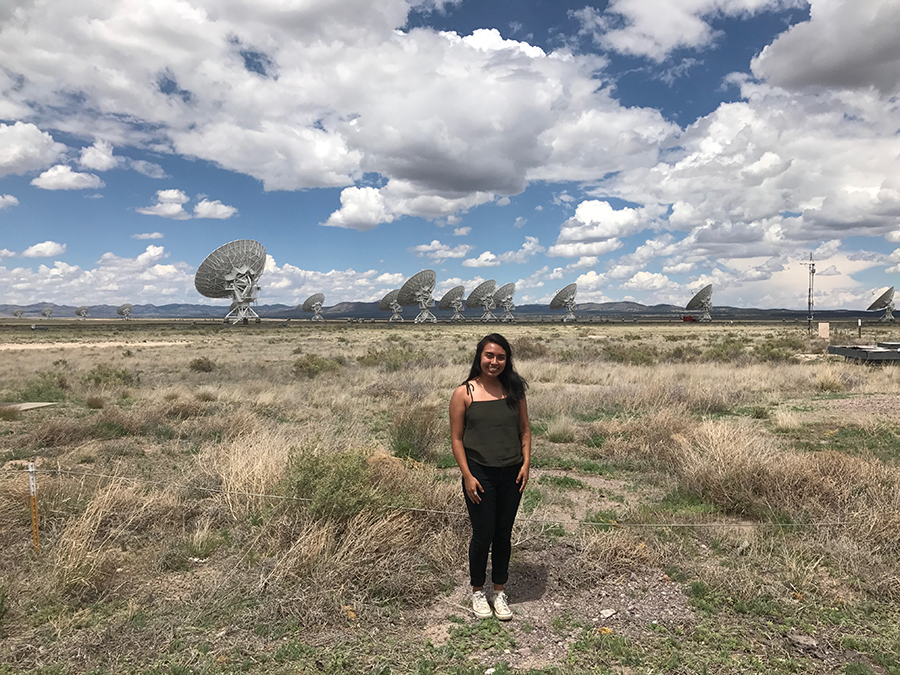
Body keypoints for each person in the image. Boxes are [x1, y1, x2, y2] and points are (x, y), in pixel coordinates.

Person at [449, 333, 531, 621]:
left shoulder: (515, 391)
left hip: (512, 474)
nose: (494, 362)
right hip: (480, 474)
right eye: (489, 356)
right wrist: (468, 476)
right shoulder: (464, 393)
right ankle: (477, 592)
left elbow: (525, 430)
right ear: (479, 357)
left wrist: (526, 464)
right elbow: (456, 439)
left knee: (503, 535)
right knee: (483, 535)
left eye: (500, 357)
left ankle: (499, 591)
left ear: (507, 360)